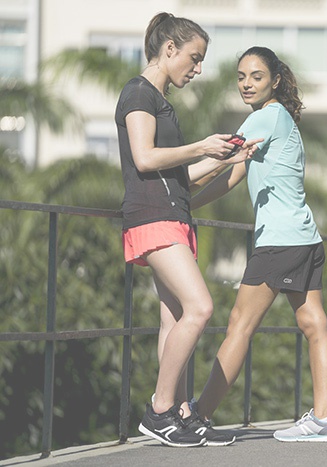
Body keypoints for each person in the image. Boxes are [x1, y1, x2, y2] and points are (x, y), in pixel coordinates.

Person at [115, 12, 258, 447]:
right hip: (152, 217)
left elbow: (179, 175)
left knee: (175, 317)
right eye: (193, 59)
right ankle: (158, 410)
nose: (197, 70)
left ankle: (177, 412)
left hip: (173, 215)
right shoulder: (139, 93)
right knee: (200, 308)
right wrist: (201, 144)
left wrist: (224, 158)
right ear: (169, 49)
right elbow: (144, 158)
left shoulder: (160, 100)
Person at [190, 46, 327, 442]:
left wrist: (178, 183)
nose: (246, 84)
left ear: (274, 80)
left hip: (278, 242)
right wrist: (188, 207)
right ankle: (324, 419)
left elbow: (225, 156)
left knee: (239, 325)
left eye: (255, 76)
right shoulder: (278, 119)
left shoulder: (266, 117)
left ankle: (200, 416)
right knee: (314, 323)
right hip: (305, 237)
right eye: (241, 76)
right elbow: (234, 172)